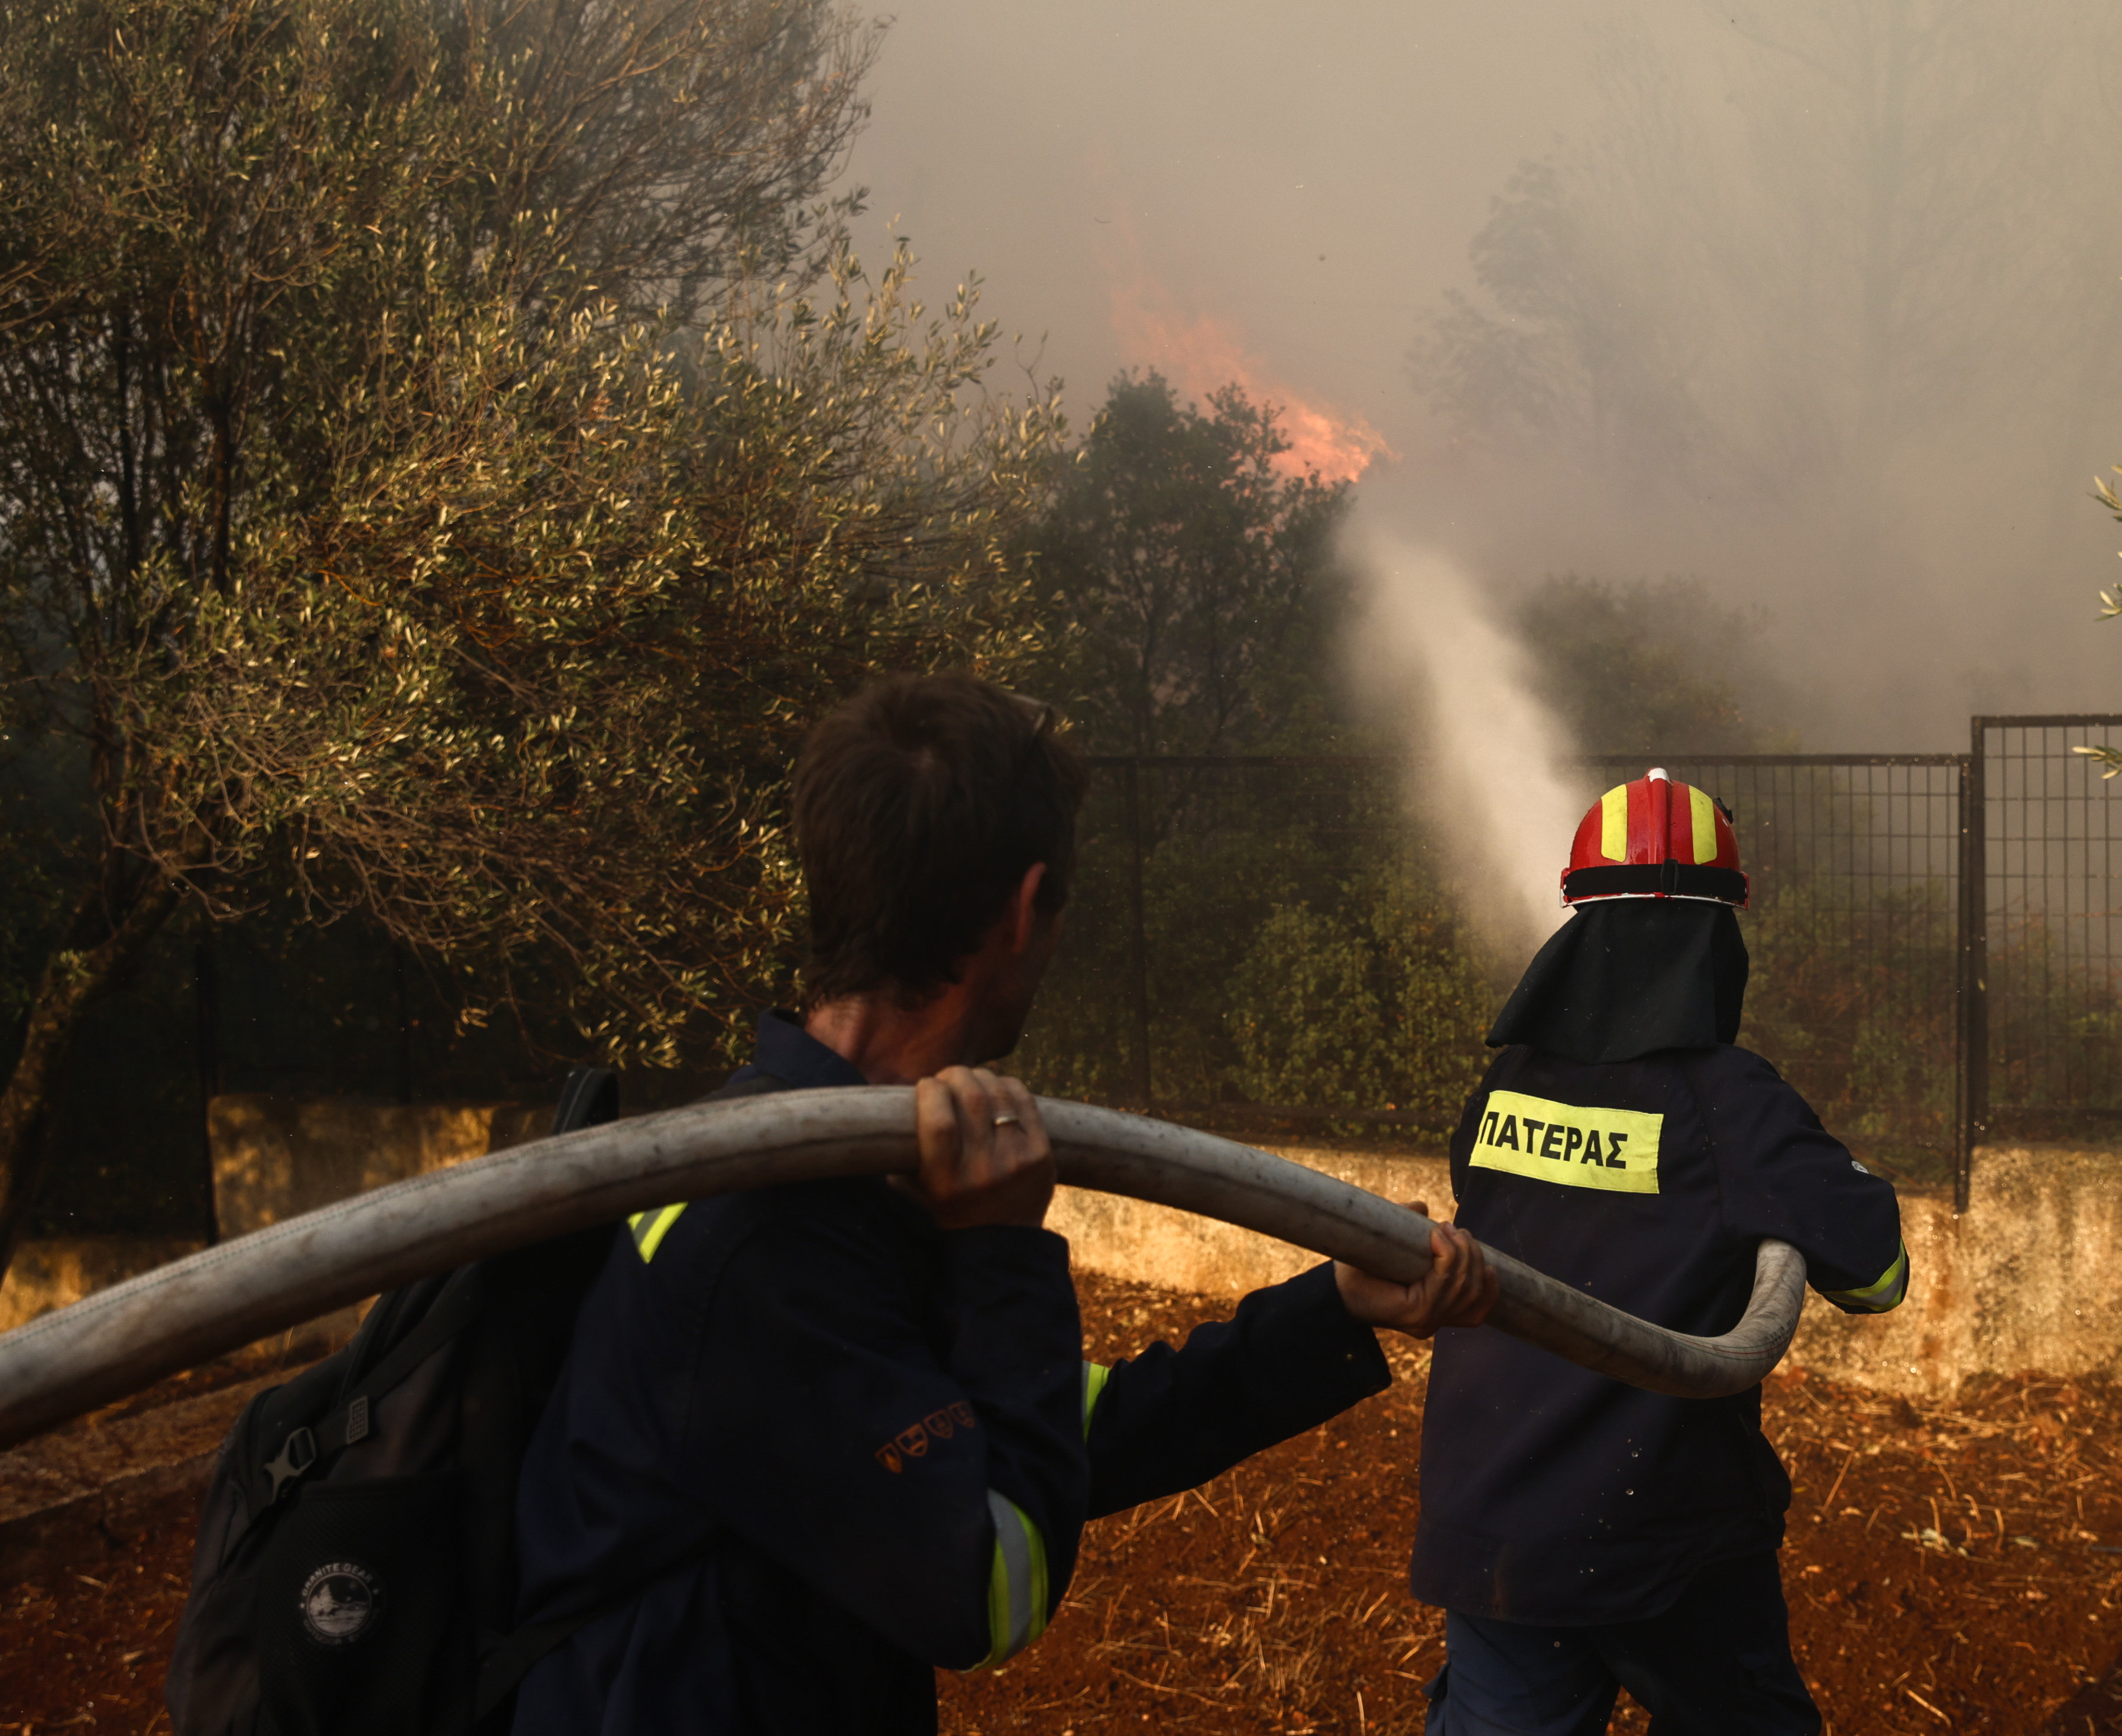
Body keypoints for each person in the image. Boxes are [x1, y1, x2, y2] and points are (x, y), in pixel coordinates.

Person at [508, 672, 1496, 1732]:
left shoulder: (846, 1171)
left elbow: (1054, 1426)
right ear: (1026, 911)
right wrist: (999, 1256)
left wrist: (1332, 1311)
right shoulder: (764, 1231)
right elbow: (989, 1589)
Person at [1414, 769, 1909, 1736]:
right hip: (1658, 1540)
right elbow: (1878, 1271)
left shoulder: (1503, 1089)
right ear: (1718, 936)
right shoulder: (1731, 1104)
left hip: (1494, 1522)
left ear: (1576, 924)